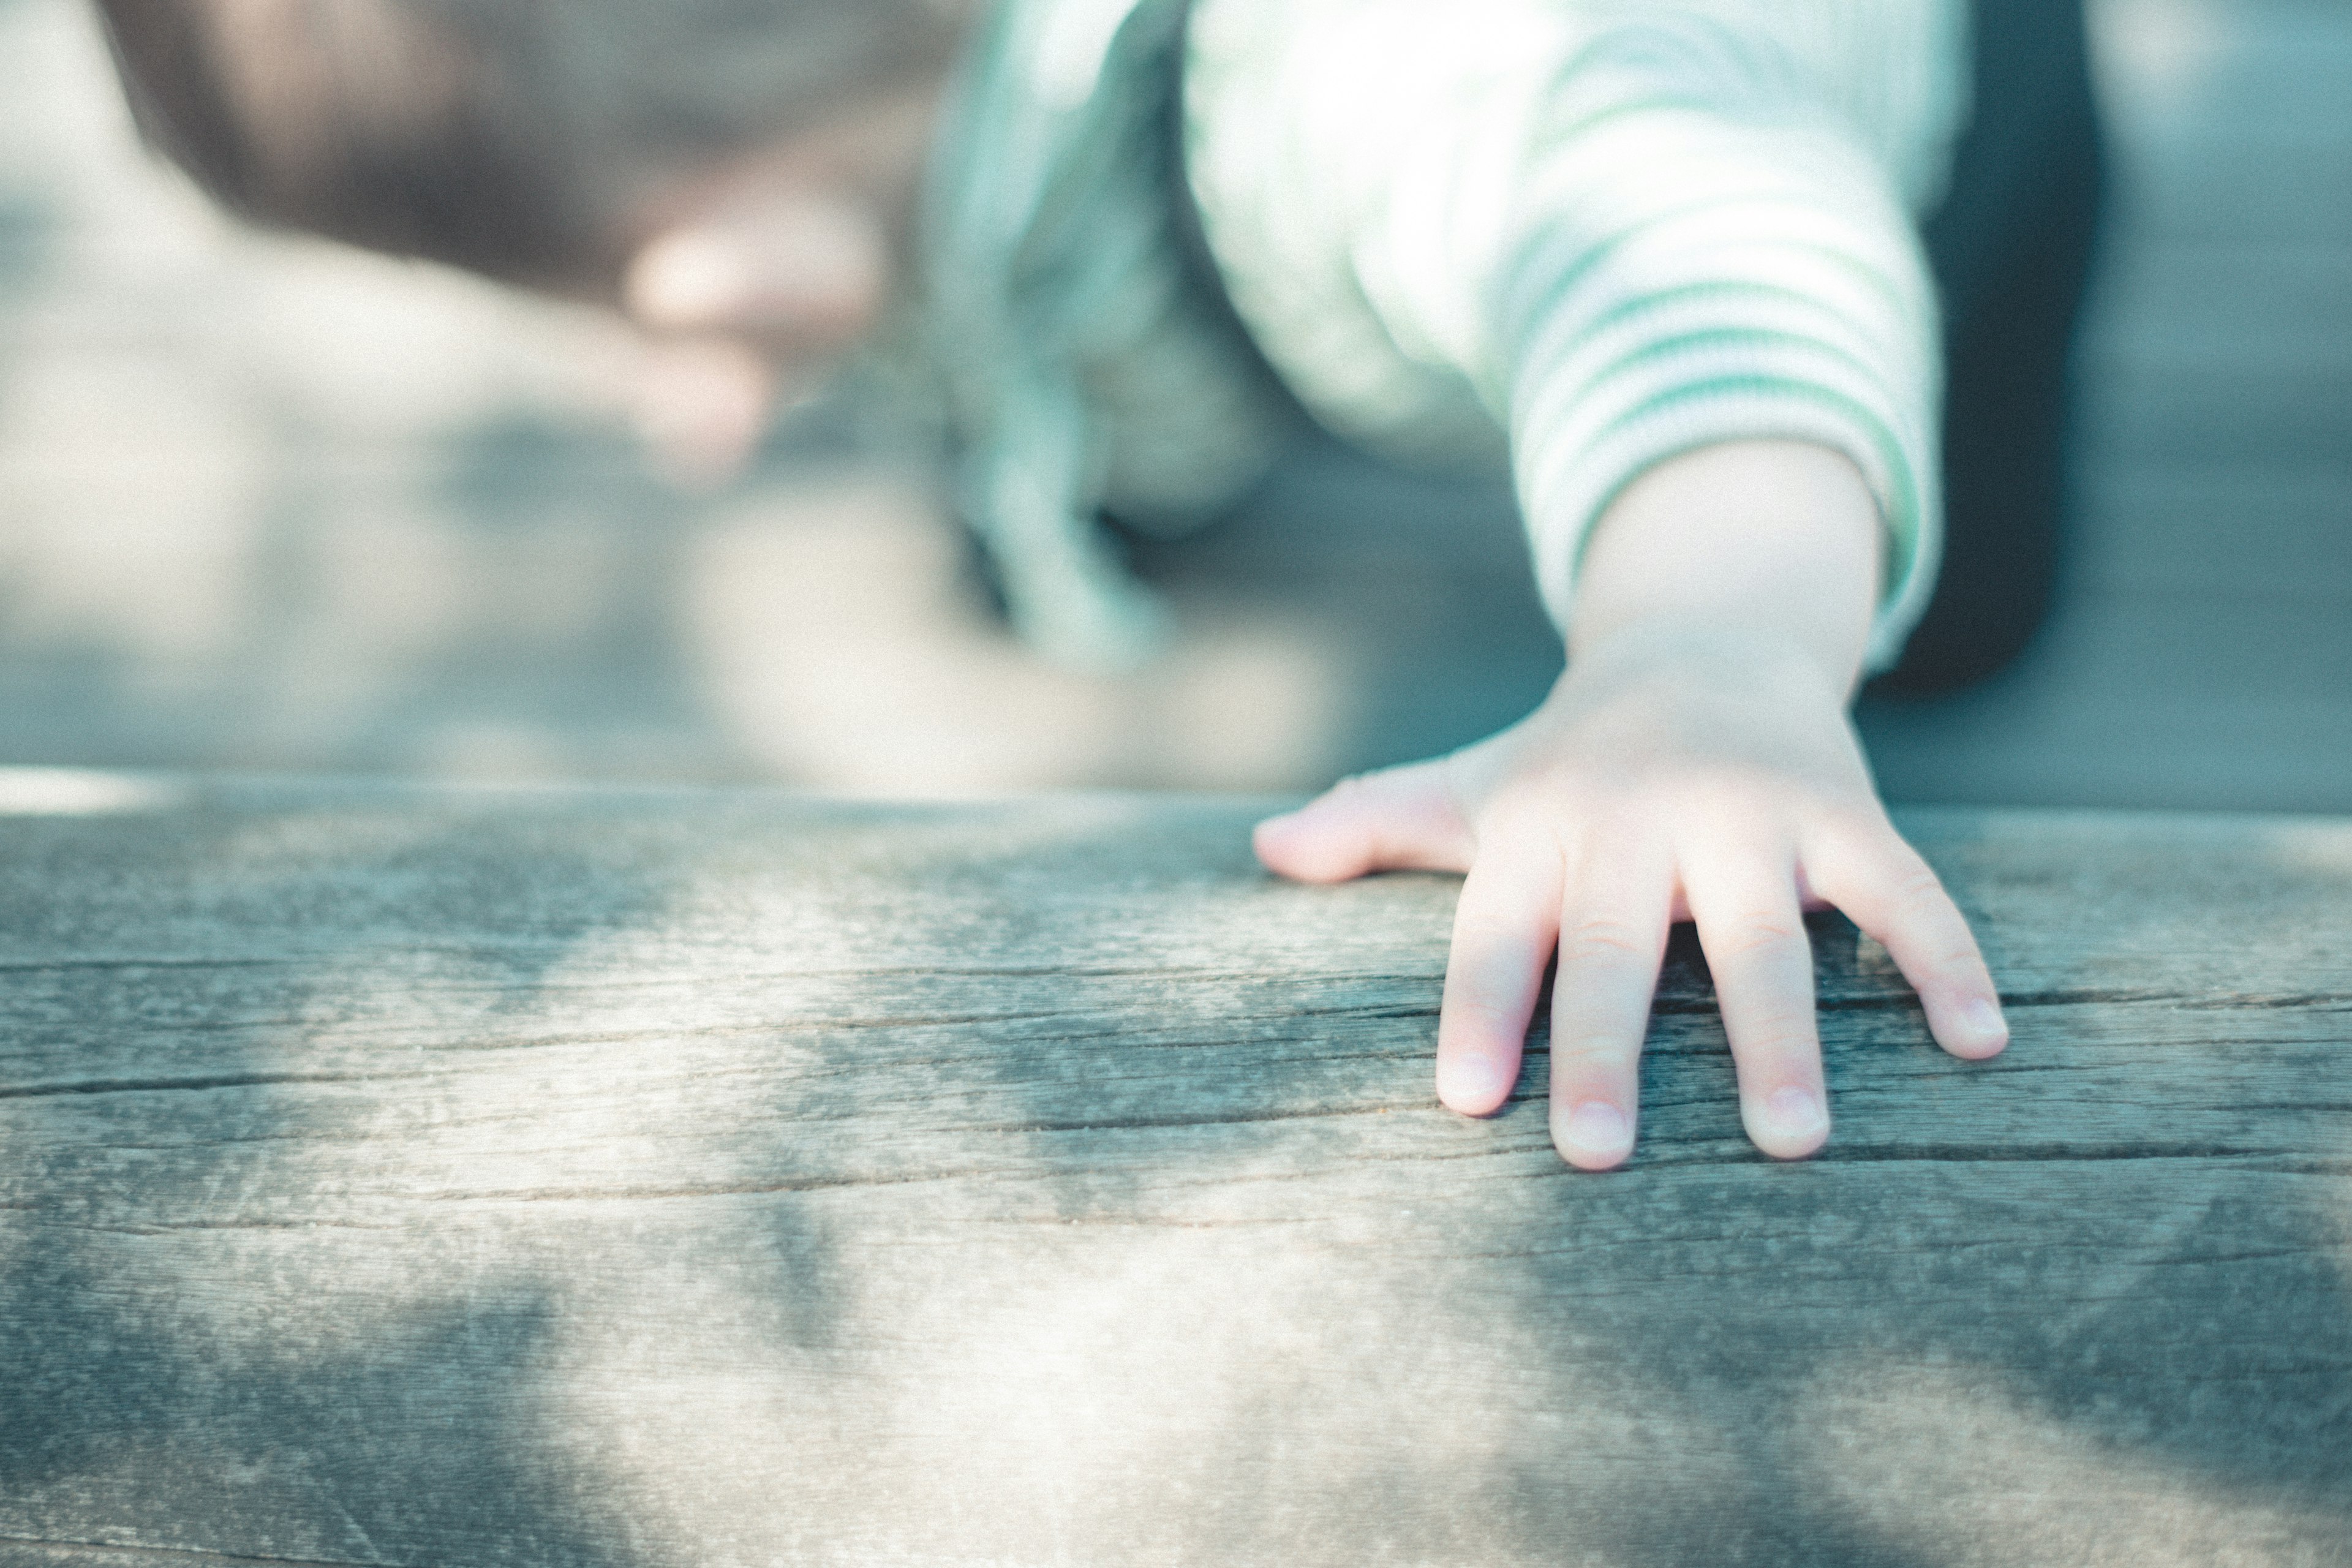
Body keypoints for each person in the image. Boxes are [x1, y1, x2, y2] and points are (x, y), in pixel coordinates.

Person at [92, 0, 2104, 1169]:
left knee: (1934, 526)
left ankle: (1917, 631)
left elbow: (1703, 248)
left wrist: (1705, 660)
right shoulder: (916, 95)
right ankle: (1118, 458)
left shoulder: (1392, 95)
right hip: (1044, 235)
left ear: (745, 267)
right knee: (1110, 346)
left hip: (1890, 106)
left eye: (625, 309)